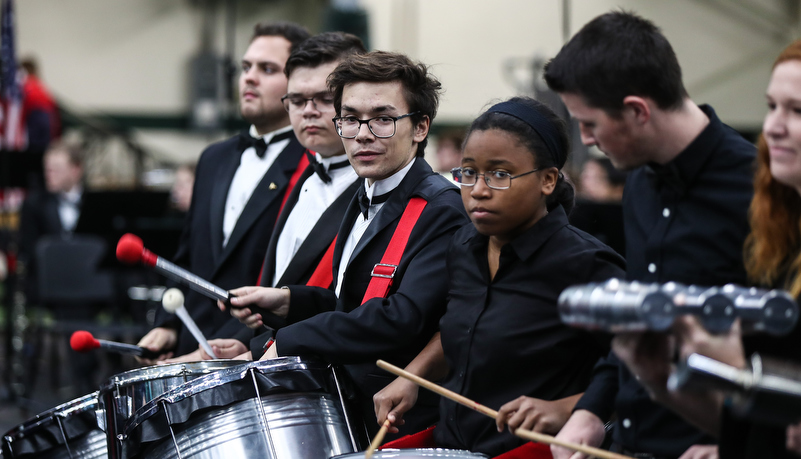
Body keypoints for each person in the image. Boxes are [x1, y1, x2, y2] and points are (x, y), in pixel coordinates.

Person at [544, 11, 755, 459]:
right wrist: (590, 410)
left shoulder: (760, 192)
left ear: (638, 110)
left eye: (591, 124)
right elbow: (639, 324)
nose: (588, 139)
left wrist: (736, 442)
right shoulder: (639, 183)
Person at [224, 51, 469, 436]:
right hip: (349, 408)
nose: (363, 134)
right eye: (351, 119)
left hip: (407, 425)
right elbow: (353, 303)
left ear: (420, 127)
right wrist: (289, 301)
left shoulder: (441, 208)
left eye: (383, 119)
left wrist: (291, 340)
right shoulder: (363, 193)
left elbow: (401, 318)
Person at [371, 97, 626, 457]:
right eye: (469, 173)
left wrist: (569, 408)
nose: (478, 190)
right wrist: (411, 377)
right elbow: (466, 326)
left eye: (500, 175)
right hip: (455, 444)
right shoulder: (464, 244)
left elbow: (643, 368)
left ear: (548, 180)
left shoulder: (585, 265)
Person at [616, 38, 801, 459]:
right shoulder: (778, 243)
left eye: (797, 111)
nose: (773, 127)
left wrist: (737, 375)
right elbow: (767, 429)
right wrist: (661, 381)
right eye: (772, 106)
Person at [172, 32, 366, 361]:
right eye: (297, 100)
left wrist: (258, 349)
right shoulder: (305, 176)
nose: (308, 112)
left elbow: (356, 305)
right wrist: (251, 342)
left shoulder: (374, 188)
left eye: (322, 98)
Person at [136, 22, 310, 361]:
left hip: (257, 355)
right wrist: (169, 324)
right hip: (190, 345)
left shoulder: (311, 164)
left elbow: (302, 283)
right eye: (246, 67)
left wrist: (243, 343)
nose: (249, 77)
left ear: (300, 83)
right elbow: (188, 260)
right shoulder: (214, 157)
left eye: (267, 69)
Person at [18, 140, 84, 304]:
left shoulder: (96, 203)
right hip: (49, 285)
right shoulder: (34, 204)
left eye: (57, 170)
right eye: (47, 170)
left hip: (86, 280)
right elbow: (28, 249)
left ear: (76, 170)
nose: (49, 175)